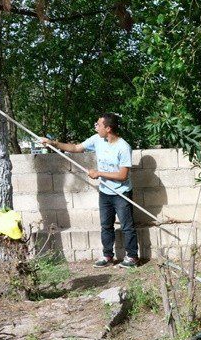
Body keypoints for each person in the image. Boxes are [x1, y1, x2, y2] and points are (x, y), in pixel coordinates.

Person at [40, 113, 140, 268]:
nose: (96, 127)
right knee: (106, 225)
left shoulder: (123, 147)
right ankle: (107, 255)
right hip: (105, 193)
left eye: (98, 124)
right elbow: (75, 148)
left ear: (108, 128)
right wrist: (53, 143)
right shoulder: (97, 140)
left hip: (122, 193)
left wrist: (99, 173)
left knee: (127, 227)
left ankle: (132, 257)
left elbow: (122, 175)